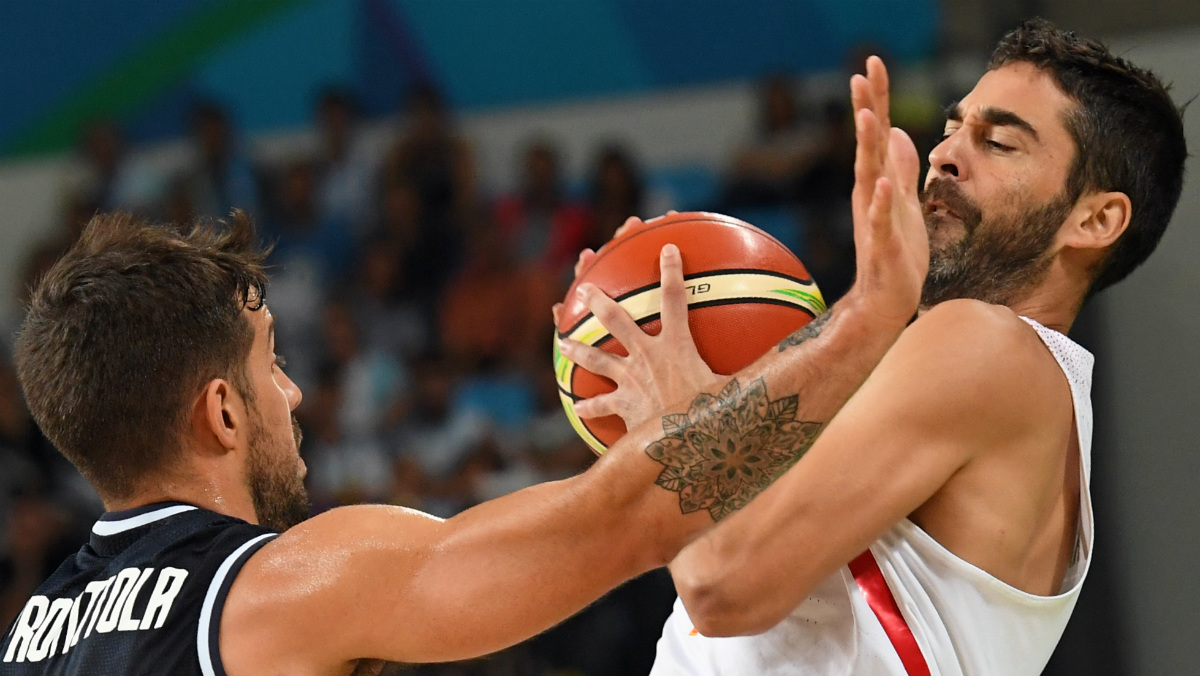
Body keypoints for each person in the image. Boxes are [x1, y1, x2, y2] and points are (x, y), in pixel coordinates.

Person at [0, 63, 922, 676]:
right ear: (221, 415)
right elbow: (621, 521)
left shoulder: (33, 632)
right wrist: (865, 321)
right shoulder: (273, 588)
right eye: (270, 367)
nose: (293, 394)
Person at [559, 19, 1186, 676]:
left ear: (1096, 220)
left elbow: (724, 583)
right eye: (952, 128)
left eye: (998, 142)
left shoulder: (986, 347)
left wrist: (679, 419)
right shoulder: (1000, 384)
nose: (944, 154)